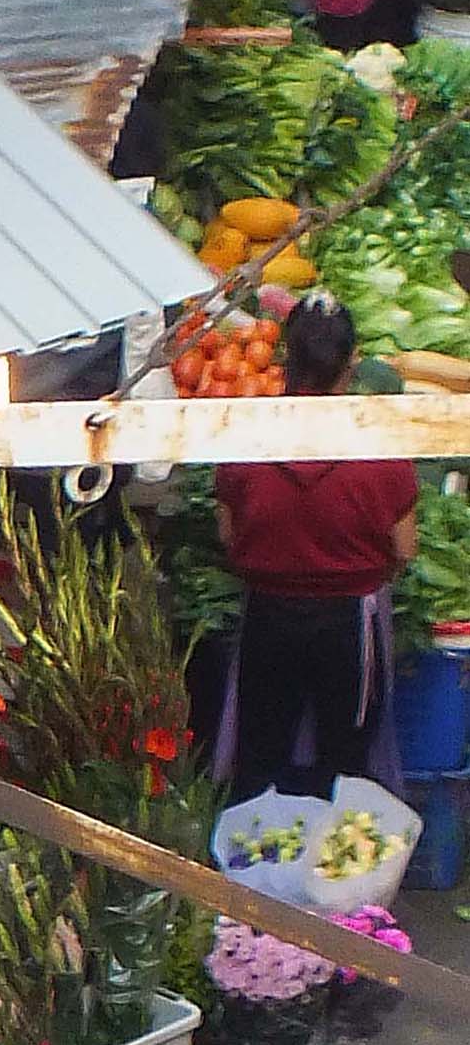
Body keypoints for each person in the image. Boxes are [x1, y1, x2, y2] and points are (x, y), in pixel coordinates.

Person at [216, 288, 417, 794]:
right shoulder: (380, 446)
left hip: (269, 615)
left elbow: (226, 532)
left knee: (261, 757)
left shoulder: (247, 436)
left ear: (286, 357)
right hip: (350, 621)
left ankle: (252, 866)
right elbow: (406, 547)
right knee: (346, 763)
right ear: (352, 362)